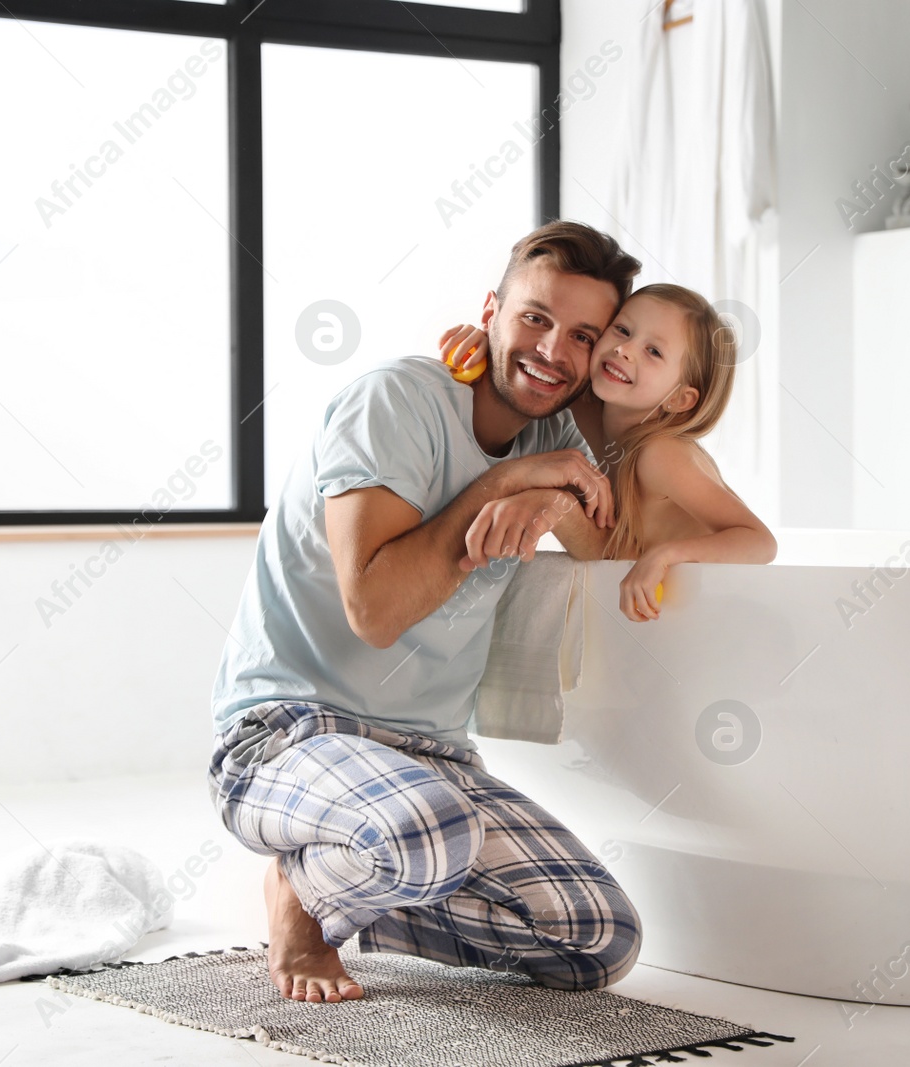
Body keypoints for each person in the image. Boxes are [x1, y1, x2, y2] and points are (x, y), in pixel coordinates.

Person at [208, 222, 644, 1004]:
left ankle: (363, 893)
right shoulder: (396, 401)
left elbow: (602, 542)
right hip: (286, 734)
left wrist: (547, 491)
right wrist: (502, 486)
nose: (552, 350)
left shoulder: (553, 432)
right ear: (491, 311)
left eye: (581, 335)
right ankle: (303, 895)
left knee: (599, 938)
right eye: (535, 318)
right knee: (425, 834)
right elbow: (374, 609)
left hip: (428, 757)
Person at [439, 282, 778, 622]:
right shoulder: (593, 410)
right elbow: (537, 371)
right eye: (623, 330)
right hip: (657, 614)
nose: (625, 349)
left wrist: (666, 556)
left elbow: (760, 542)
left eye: (654, 352)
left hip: (717, 614)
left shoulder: (660, 454)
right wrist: (491, 341)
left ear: (679, 399)